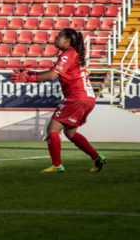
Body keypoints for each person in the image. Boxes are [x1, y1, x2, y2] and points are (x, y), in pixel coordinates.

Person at [10, 28, 106, 174]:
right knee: (70, 132)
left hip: (76, 97)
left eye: (60, 36)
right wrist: (33, 74)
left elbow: (52, 76)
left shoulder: (68, 53)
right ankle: (97, 158)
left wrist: (29, 78)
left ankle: (57, 165)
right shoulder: (74, 54)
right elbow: (53, 73)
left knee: (52, 129)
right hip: (87, 98)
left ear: (67, 41)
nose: (56, 37)